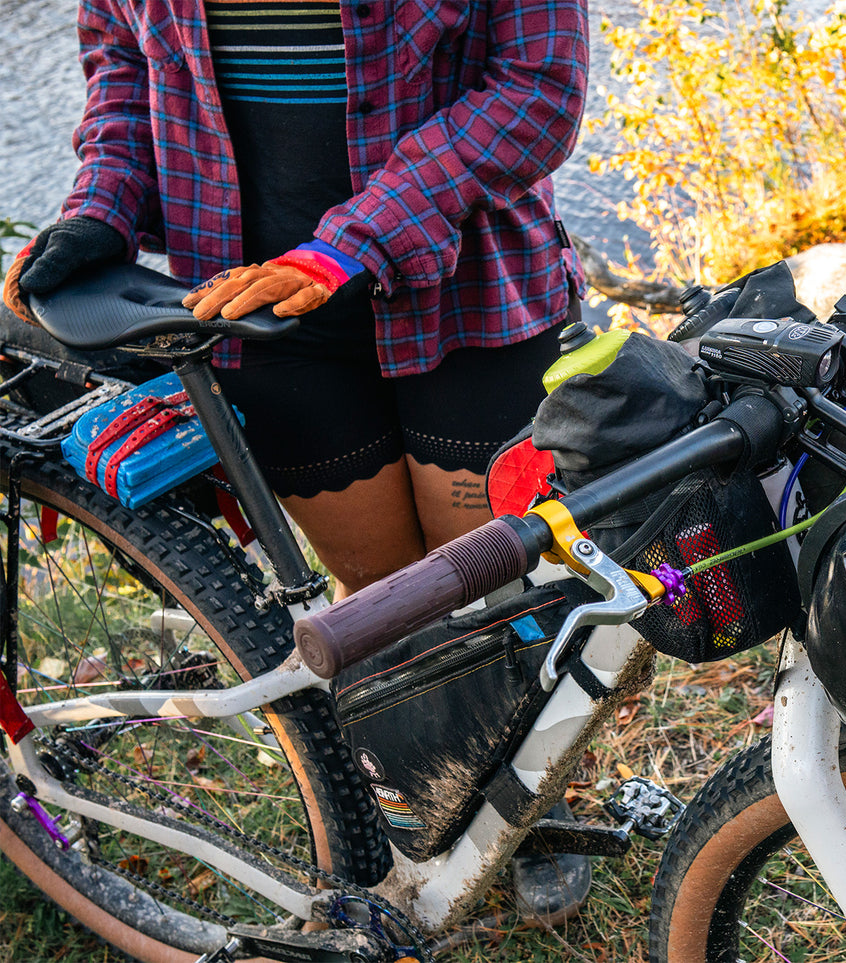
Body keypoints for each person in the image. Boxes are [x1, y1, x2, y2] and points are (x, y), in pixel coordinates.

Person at [3, 0, 593, 925]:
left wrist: (346, 245)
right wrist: (102, 210)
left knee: (496, 594)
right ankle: (438, 782)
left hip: (467, 283)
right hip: (255, 300)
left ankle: (535, 797)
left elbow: (535, 92)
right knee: (381, 591)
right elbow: (124, 63)